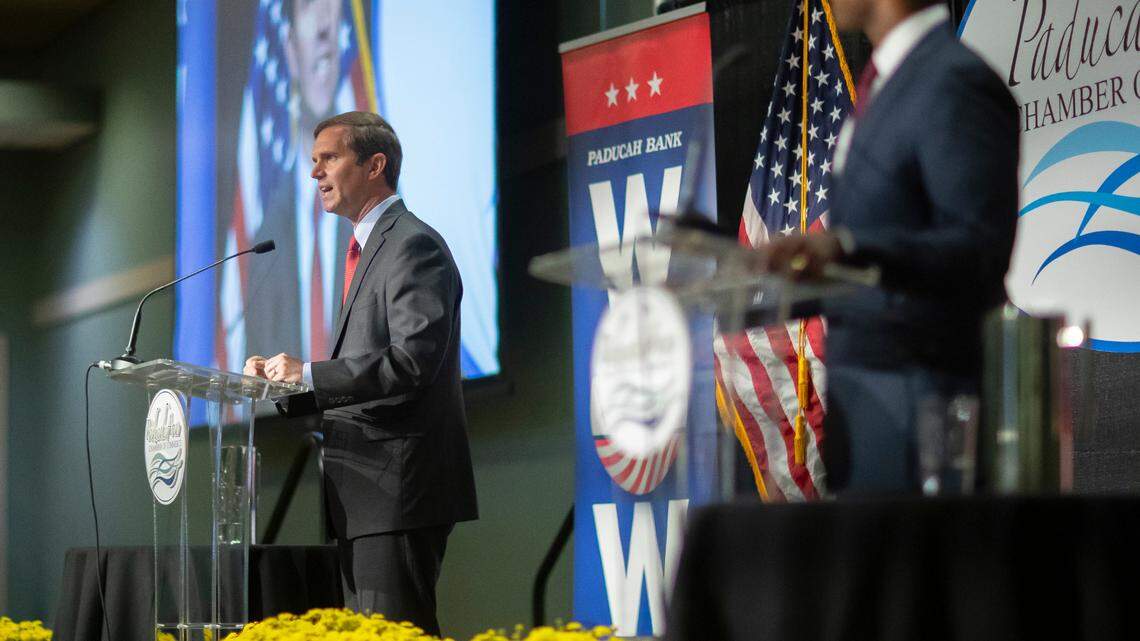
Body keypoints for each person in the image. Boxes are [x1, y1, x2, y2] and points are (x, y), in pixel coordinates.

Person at [763, 0, 1019, 492]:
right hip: (862, 411)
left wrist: (848, 247)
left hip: (922, 410)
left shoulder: (953, 80)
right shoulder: (881, 87)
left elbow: (979, 251)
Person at [245, 111, 478, 635]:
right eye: (313, 161)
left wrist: (310, 373)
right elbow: (365, 372)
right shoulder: (370, 247)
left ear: (375, 165)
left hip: (398, 491)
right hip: (365, 494)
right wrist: (290, 385)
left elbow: (412, 361)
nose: (314, 174)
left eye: (328, 158)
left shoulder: (412, 245)